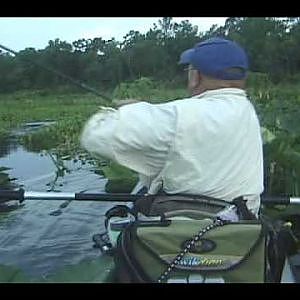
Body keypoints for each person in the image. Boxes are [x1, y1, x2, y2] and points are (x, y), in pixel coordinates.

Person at [80, 37, 264, 219]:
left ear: (195, 76)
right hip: (242, 232)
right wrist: (146, 110)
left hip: (180, 236)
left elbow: (94, 136)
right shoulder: (247, 110)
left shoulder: (177, 116)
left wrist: (133, 110)